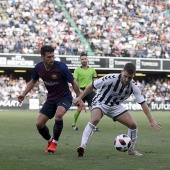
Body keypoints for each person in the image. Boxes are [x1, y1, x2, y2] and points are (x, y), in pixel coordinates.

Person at [73, 63, 162, 157]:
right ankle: (82, 146)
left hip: (115, 106)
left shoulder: (134, 86)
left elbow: (143, 103)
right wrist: (79, 98)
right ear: (122, 72)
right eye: (125, 76)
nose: (127, 80)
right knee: (95, 119)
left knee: (133, 125)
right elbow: (91, 86)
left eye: (130, 78)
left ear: (133, 76)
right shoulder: (110, 78)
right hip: (101, 102)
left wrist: (151, 120)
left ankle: (131, 150)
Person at [17, 45, 82, 153]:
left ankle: (54, 142)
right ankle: (50, 140)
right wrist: (23, 94)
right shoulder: (38, 68)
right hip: (51, 99)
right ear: (42, 57)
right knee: (39, 124)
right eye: (49, 57)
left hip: (64, 97)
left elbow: (73, 82)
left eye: (53, 56)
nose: (52, 59)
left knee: (59, 114)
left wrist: (79, 97)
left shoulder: (61, 68)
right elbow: (33, 81)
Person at [72, 52, 99, 131]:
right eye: (82, 59)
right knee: (79, 108)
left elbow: (95, 81)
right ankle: (74, 124)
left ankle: (92, 126)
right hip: (81, 91)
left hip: (90, 90)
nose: (84, 60)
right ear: (80, 60)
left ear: (87, 59)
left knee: (92, 108)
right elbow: (74, 81)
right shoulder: (77, 70)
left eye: (85, 59)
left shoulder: (92, 70)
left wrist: (94, 90)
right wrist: (78, 90)